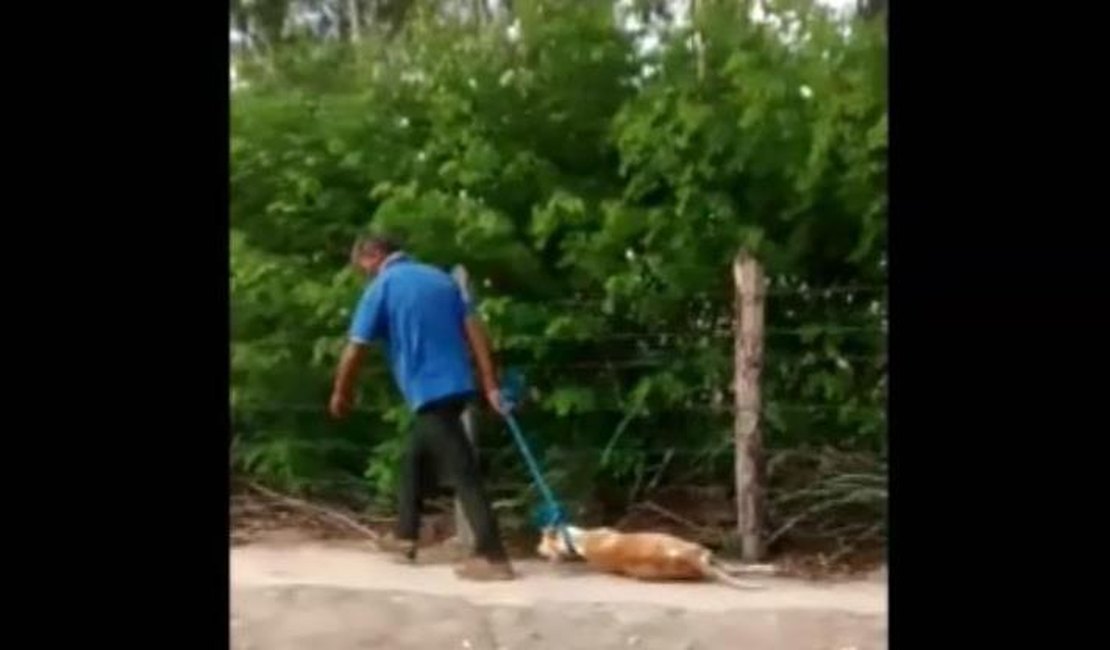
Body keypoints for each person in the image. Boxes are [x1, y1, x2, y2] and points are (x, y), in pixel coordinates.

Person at [328, 233, 515, 581]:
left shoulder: (382, 287)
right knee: (414, 456)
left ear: (373, 256)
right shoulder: (441, 279)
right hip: (459, 385)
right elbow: (475, 331)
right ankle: (405, 535)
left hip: (428, 390)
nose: (363, 275)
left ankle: (492, 556)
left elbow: (355, 348)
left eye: (362, 268)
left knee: (463, 472)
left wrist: (341, 392)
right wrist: (489, 383)